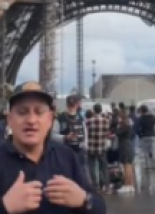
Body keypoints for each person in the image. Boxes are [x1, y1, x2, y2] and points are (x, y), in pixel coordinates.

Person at [0, 82, 104, 214]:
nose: (31, 120)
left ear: (50, 119)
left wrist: (84, 200)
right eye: (22, 112)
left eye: (39, 112)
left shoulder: (67, 156)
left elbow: (100, 206)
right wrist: (5, 206)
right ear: (9, 119)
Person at [114, 109, 135, 194]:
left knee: (127, 167)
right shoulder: (129, 124)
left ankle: (127, 185)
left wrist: (117, 127)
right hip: (129, 146)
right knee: (129, 166)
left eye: (118, 117)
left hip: (125, 147)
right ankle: (131, 185)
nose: (117, 119)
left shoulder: (124, 126)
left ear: (121, 117)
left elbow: (117, 133)